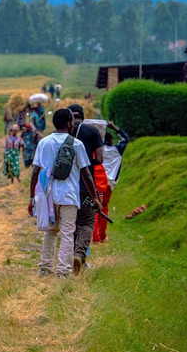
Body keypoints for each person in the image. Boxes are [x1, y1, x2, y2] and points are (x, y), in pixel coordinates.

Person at [28, 108, 102, 279]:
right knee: (68, 233)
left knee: (50, 232)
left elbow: (34, 172)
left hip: (47, 196)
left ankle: (45, 268)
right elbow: (86, 174)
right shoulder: (76, 144)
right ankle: (63, 272)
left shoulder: (44, 142)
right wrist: (95, 198)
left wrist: (32, 198)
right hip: (68, 196)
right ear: (69, 123)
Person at [67, 103, 104, 274]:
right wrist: (88, 161)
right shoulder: (92, 131)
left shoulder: (62, 131)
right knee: (87, 221)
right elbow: (100, 158)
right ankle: (80, 255)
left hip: (66, 186)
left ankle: (70, 258)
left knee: (71, 221)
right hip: (86, 185)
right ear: (83, 115)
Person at [93, 121, 130, 243]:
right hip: (109, 183)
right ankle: (102, 235)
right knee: (104, 207)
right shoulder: (117, 150)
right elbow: (126, 138)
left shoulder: (97, 150)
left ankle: (95, 236)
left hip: (97, 180)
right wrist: (114, 127)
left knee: (94, 207)